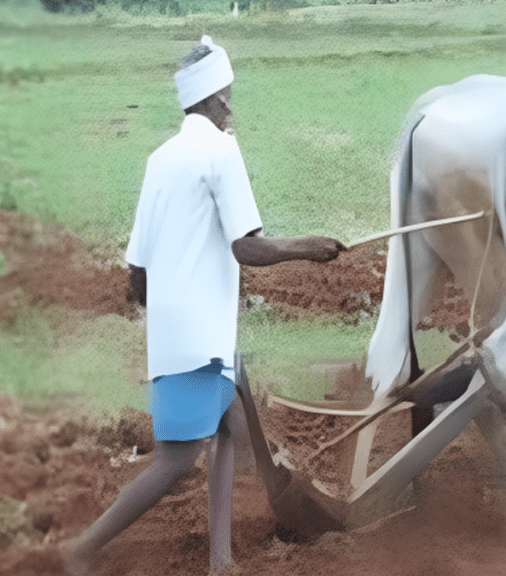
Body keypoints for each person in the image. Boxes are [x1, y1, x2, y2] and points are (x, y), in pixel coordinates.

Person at [64, 35, 346, 575]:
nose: (231, 109)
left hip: (179, 333)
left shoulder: (159, 159)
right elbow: (248, 246)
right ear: (212, 101)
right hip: (202, 339)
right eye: (227, 98)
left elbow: (136, 270)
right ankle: (81, 549)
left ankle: (221, 561)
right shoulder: (221, 149)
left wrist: (162, 325)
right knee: (175, 461)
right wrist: (308, 248)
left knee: (226, 428)